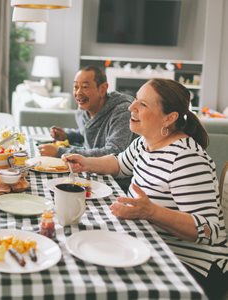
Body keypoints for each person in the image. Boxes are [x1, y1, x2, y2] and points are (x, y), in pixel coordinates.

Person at [64, 79, 228, 300]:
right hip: (152, 247)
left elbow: (209, 230)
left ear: (169, 118)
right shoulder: (145, 142)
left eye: (143, 104)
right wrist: (85, 162)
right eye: (135, 100)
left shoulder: (186, 158)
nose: (132, 107)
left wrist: (150, 211)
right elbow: (120, 164)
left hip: (193, 267)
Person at [38, 66, 135, 158]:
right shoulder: (83, 109)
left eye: (85, 87)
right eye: (76, 87)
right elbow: (86, 134)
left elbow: (114, 152)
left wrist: (60, 152)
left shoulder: (122, 111)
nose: (78, 92)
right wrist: (67, 136)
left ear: (102, 89)